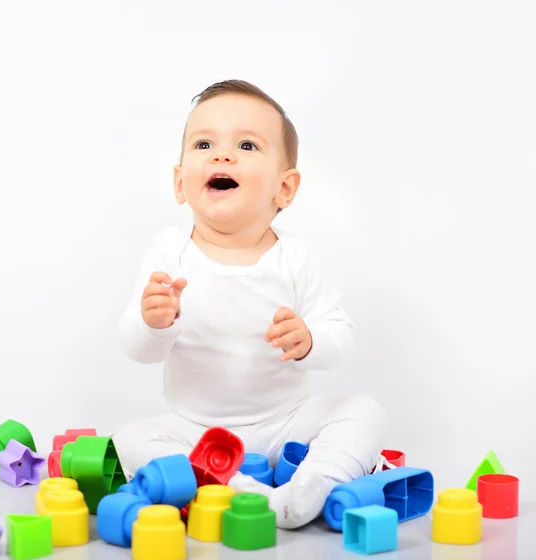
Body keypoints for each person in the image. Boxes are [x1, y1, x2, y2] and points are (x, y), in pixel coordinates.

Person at [113, 79, 388, 529]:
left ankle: (315, 482)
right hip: (196, 429)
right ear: (181, 182)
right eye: (204, 143)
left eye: (246, 144)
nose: (222, 155)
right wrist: (154, 323)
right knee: (130, 438)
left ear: (285, 189)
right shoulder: (170, 251)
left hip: (285, 423)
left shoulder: (294, 257)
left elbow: (340, 332)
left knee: (365, 411)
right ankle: (238, 487)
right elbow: (138, 349)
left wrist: (310, 338)